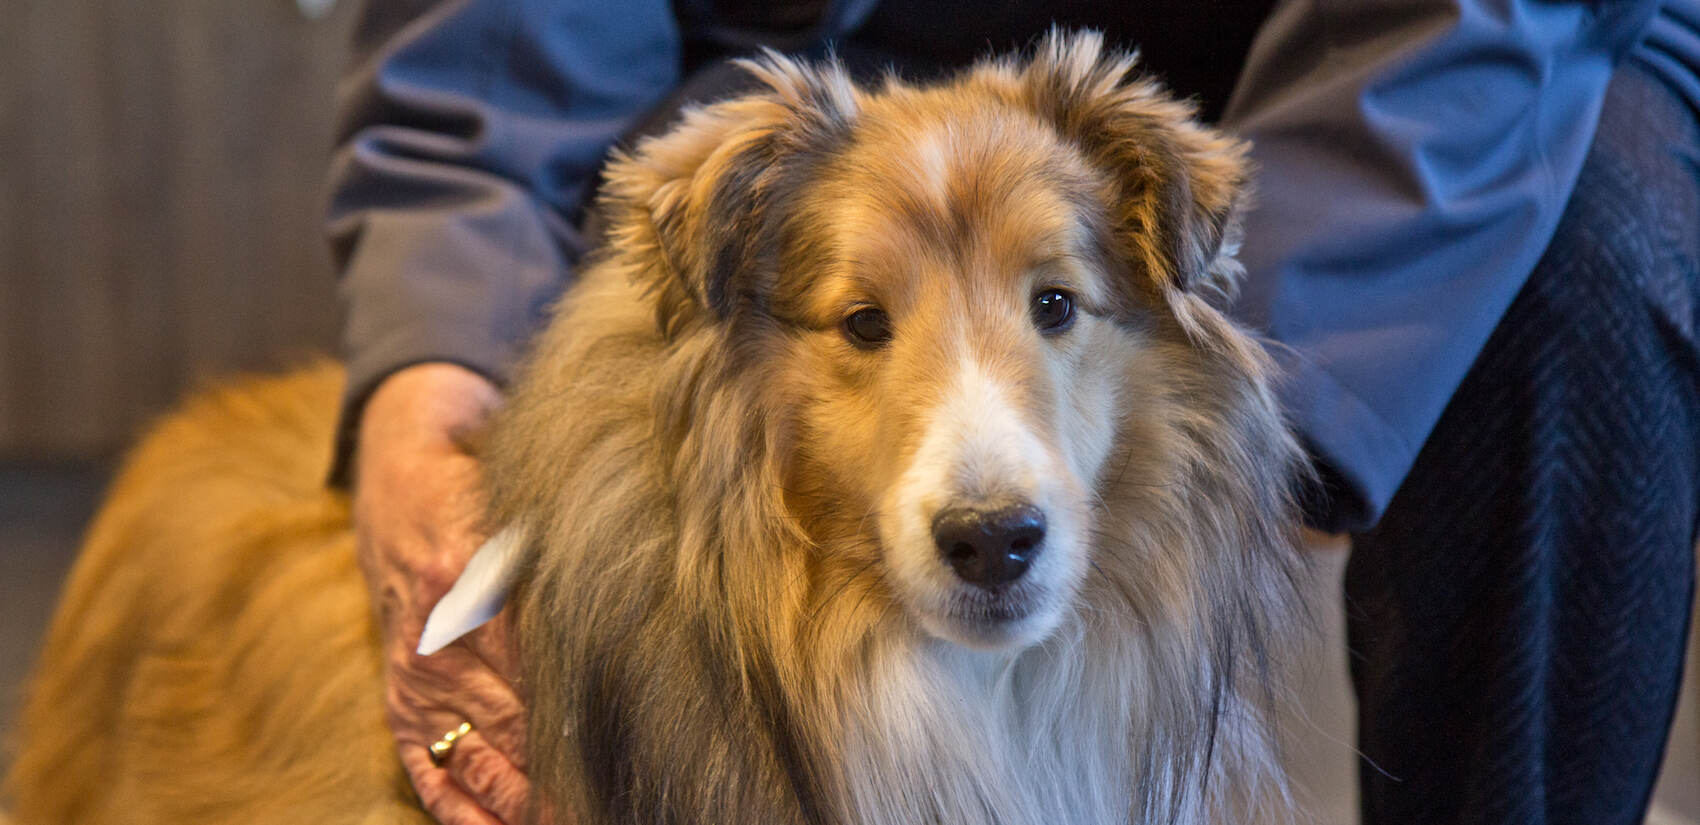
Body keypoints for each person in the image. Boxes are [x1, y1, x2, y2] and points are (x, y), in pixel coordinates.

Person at [327, 1, 1700, 823]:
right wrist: (432, 354)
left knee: (1581, 261)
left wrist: (1283, 391)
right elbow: (496, 46)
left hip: (1391, 75)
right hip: (803, 87)